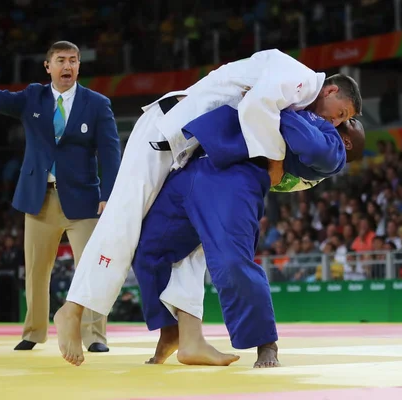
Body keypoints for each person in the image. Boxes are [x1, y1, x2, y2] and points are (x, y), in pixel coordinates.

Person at [55, 49, 362, 364]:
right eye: (342, 112)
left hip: (197, 149)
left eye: (343, 121)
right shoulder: (299, 76)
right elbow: (257, 105)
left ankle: (189, 339)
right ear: (331, 89)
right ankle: (74, 308)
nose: (336, 121)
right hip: (167, 130)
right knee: (124, 218)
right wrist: (277, 162)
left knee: (193, 249)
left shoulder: (297, 100)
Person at [139, 110, 365, 368]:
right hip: (193, 163)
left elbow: (278, 119)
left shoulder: (329, 147)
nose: (346, 116)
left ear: (345, 142)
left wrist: (276, 117)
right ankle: (169, 330)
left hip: (233, 176)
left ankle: (266, 342)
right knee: (147, 248)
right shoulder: (315, 116)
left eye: (349, 118)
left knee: (231, 262)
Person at [0, 40, 121, 353]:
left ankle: (94, 336)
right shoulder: (32, 97)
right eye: (61, 60)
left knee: (92, 269)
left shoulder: (97, 103)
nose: (68, 66)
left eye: (73, 60)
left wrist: (110, 195)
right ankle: (34, 332)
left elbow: (110, 152)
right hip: (40, 198)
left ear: (79, 66)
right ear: (48, 67)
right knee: (36, 270)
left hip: (85, 201)